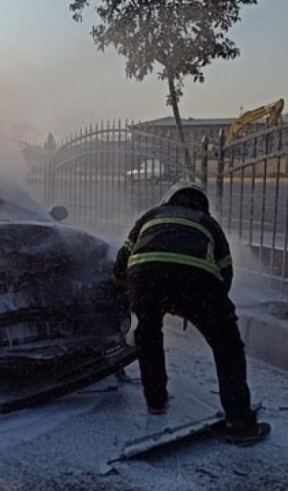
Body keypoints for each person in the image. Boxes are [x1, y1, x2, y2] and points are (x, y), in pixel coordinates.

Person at [112, 181, 270, 444]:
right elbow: (225, 272)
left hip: (145, 279)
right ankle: (240, 423)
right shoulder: (208, 223)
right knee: (227, 346)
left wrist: (123, 287)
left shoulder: (151, 215)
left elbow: (121, 261)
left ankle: (156, 400)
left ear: (169, 199)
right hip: (197, 283)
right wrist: (214, 312)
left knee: (148, 335)